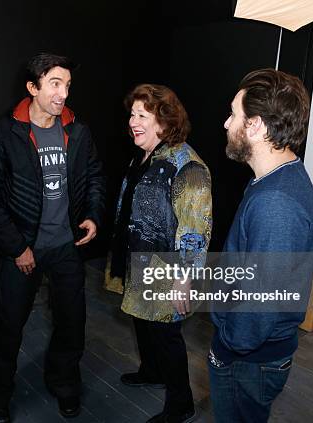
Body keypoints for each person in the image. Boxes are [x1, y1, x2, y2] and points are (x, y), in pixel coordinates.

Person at [0, 53, 105, 423]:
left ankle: (65, 386)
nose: (63, 93)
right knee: (9, 328)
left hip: (66, 247)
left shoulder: (77, 130)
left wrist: (93, 215)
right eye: (55, 84)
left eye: (67, 85)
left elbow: (95, 175)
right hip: (22, 250)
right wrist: (17, 247)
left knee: (71, 323)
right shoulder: (4, 134)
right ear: (33, 87)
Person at [208, 69, 313, 422]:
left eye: (234, 114)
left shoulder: (276, 204)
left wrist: (227, 345)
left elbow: (260, 303)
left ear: (255, 126)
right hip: (253, 354)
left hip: (248, 359)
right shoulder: (274, 181)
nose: (227, 124)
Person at [110, 84, 212, 423]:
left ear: (164, 121)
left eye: (142, 115)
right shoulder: (145, 155)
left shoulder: (188, 166)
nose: (133, 121)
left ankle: (180, 403)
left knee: (166, 335)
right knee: (142, 320)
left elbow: (195, 229)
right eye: (132, 114)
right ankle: (151, 371)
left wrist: (185, 279)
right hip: (139, 259)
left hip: (167, 269)